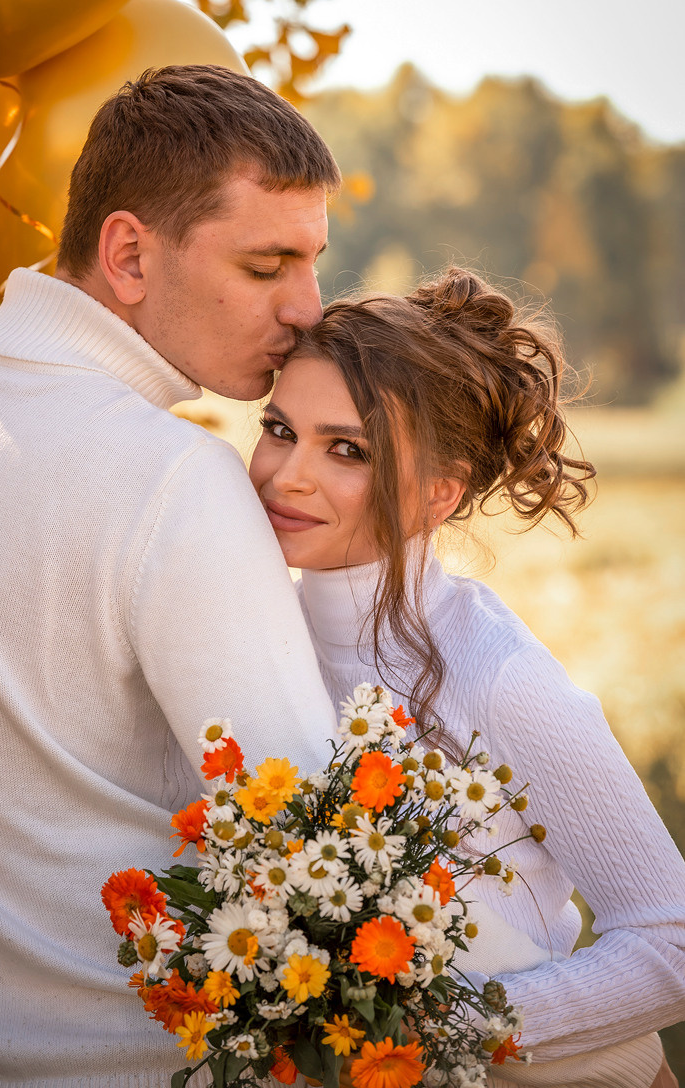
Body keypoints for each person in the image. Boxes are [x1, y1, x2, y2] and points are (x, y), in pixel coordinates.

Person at [0, 65, 343, 1085]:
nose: (310, 309)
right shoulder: (176, 480)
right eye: (268, 264)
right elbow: (319, 841)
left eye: (314, 262)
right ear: (129, 252)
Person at [248, 267, 685, 1088]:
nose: (286, 474)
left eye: (347, 450)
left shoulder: (497, 675)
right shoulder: (251, 634)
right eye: (279, 429)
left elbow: (672, 935)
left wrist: (440, 1029)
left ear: (438, 495)